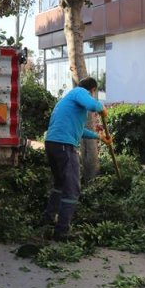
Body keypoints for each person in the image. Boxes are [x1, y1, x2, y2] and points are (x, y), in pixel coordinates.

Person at [42, 76, 110, 240]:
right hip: (64, 146)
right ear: (92, 90)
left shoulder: (67, 100)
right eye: (94, 93)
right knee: (72, 188)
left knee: (60, 184)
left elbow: (80, 131)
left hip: (53, 144)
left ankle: (47, 220)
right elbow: (92, 105)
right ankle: (62, 231)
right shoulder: (79, 92)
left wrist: (99, 137)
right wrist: (101, 107)